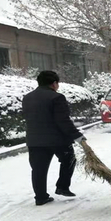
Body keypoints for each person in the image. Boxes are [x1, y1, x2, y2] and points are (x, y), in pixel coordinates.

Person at [22, 70, 85, 206]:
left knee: (38, 169)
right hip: (57, 140)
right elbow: (63, 121)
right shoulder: (57, 97)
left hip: (34, 140)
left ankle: (40, 197)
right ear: (54, 83)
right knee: (69, 159)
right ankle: (62, 186)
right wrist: (77, 136)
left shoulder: (27, 98)